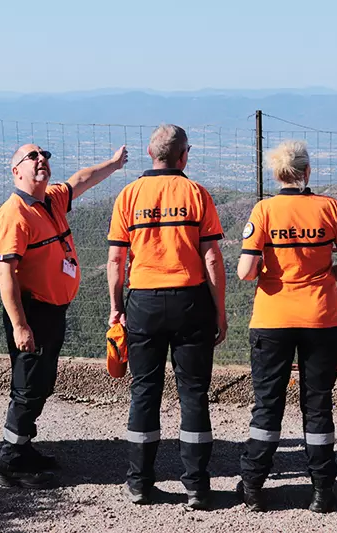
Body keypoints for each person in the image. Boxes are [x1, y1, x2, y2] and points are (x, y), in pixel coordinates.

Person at [237, 140, 337, 513]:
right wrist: (322, 277)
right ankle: (323, 491)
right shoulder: (330, 208)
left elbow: (245, 272)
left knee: (267, 406)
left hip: (272, 320)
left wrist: (273, 275)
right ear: (307, 172)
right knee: (318, 405)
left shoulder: (264, 210)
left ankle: (253, 487)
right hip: (322, 318)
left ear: (277, 175)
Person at [0, 142, 128, 489]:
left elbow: (81, 180)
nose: (41, 160)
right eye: (32, 157)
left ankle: (23, 448)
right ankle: (11, 463)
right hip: (33, 312)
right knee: (28, 385)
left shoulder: (50, 200)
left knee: (41, 382)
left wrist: (112, 164)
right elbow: (6, 274)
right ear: (16, 171)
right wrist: (21, 326)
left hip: (52, 311)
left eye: (44, 155)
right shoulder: (14, 214)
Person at [106, 124, 227, 510]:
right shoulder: (196, 194)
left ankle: (140, 483)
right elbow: (211, 257)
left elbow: (115, 259)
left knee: (144, 392)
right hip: (191, 301)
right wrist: (219, 309)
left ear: (149, 153)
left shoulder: (129, 195)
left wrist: (116, 308)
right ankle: (196, 487)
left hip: (143, 299)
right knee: (194, 394)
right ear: (183, 155)